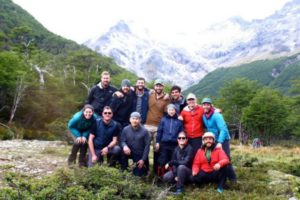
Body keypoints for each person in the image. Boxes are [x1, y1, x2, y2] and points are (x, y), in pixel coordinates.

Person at [201, 97, 237, 181]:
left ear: (211, 106)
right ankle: (221, 177)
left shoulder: (217, 115)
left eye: (208, 104)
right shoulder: (204, 116)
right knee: (216, 159)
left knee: (226, 159)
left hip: (223, 139)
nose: (206, 106)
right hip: (214, 139)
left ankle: (233, 179)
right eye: (204, 104)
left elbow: (223, 129)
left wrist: (220, 142)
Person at [145, 79, 170, 174]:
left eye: (160, 86)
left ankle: (156, 171)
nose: (158, 87)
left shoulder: (166, 99)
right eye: (157, 85)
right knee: (145, 147)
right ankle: (145, 169)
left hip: (158, 127)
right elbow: (139, 89)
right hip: (147, 125)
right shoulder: (150, 95)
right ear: (154, 87)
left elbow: (168, 112)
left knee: (157, 149)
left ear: (163, 87)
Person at [156, 104, 183, 177]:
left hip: (174, 144)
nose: (171, 111)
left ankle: (172, 177)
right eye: (169, 110)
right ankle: (160, 177)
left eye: (172, 110)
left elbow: (181, 132)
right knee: (163, 159)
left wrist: (181, 142)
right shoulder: (163, 119)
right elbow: (159, 131)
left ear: (175, 111)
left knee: (173, 160)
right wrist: (157, 142)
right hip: (164, 143)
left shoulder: (179, 121)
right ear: (167, 111)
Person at [120, 112, 150, 176]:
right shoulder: (125, 129)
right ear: (130, 120)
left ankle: (145, 170)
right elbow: (122, 141)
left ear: (140, 120)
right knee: (121, 151)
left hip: (139, 154)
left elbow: (147, 146)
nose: (135, 121)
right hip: (128, 151)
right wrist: (124, 146)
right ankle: (124, 169)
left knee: (138, 174)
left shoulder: (145, 131)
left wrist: (143, 159)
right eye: (133, 119)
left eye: (137, 119)